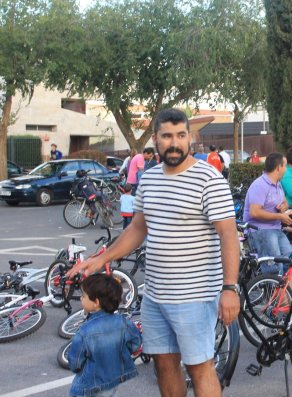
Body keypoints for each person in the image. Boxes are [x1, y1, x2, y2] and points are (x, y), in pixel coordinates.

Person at [68, 108, 240, 397]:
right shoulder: (149, 179)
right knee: (163, 365)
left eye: (181, 135)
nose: (175, 142)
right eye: (167, 136)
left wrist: (230, 288)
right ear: (155, 139)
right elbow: (137, 228)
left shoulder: (208, 179)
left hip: (195, 297)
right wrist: (102, 258)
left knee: (200, 367)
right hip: (157, 296)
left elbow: (228, 234)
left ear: (190, 138)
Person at [68, 274, 142, 397]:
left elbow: (75, 362)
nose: (81, 298)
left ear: (96, 302)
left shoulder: (85, 331)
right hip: (114, 378)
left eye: (83, 296)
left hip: (89, 383)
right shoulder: (123, 322)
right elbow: (135, 343)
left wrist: (77, 368)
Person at [244, 152, 292, 274]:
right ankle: (272, 291)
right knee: (275, 269)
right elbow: (254, 212)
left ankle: (287, 293)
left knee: (291, 262)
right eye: (285, 166)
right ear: (278, 167)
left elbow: (285, 202)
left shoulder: (277, 184)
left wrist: (283, 207)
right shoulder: (260, 185)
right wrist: (279, 216)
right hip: (261, 230)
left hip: (276, 229)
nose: (286, 170)